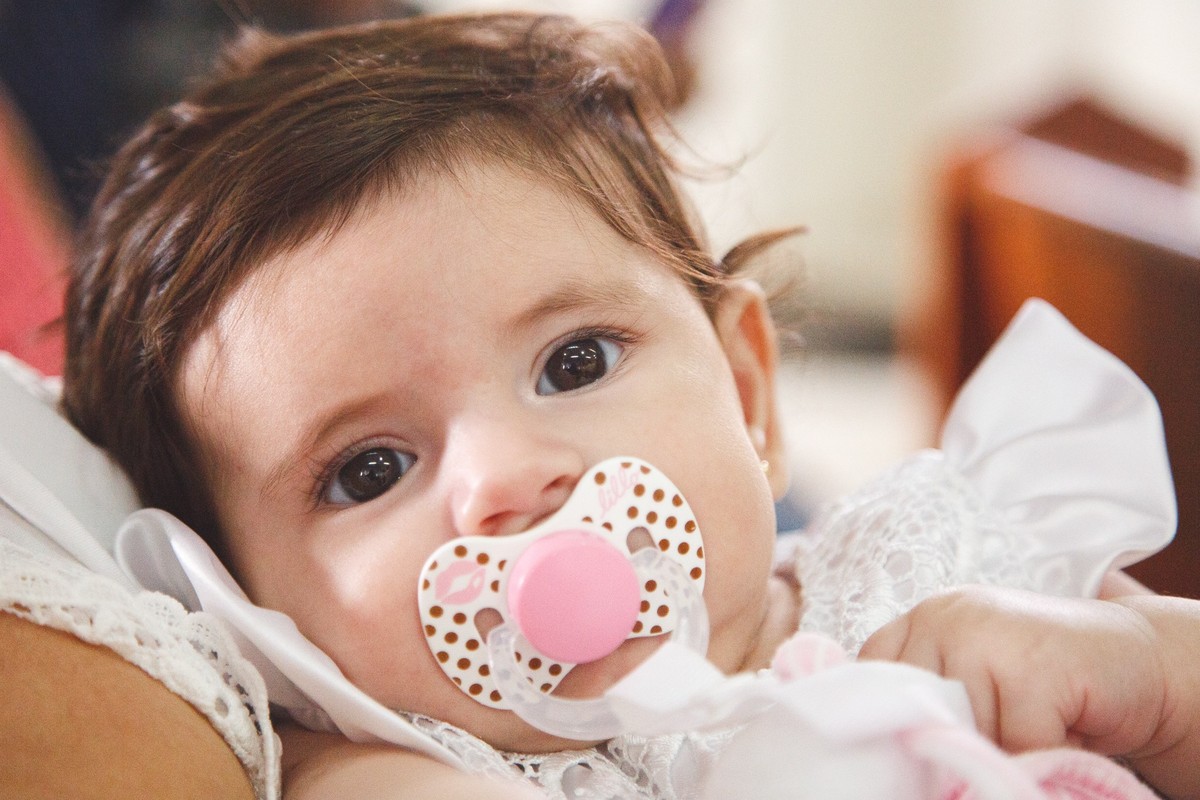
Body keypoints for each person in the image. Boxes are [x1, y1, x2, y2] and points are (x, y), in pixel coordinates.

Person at [57, 11, 1200, 799]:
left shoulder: (949, 559)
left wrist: (1142, 672)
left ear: (748, 392)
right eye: (369, 468)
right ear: (261, 611)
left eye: (576, 361)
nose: (506, 478)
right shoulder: (409, 764)